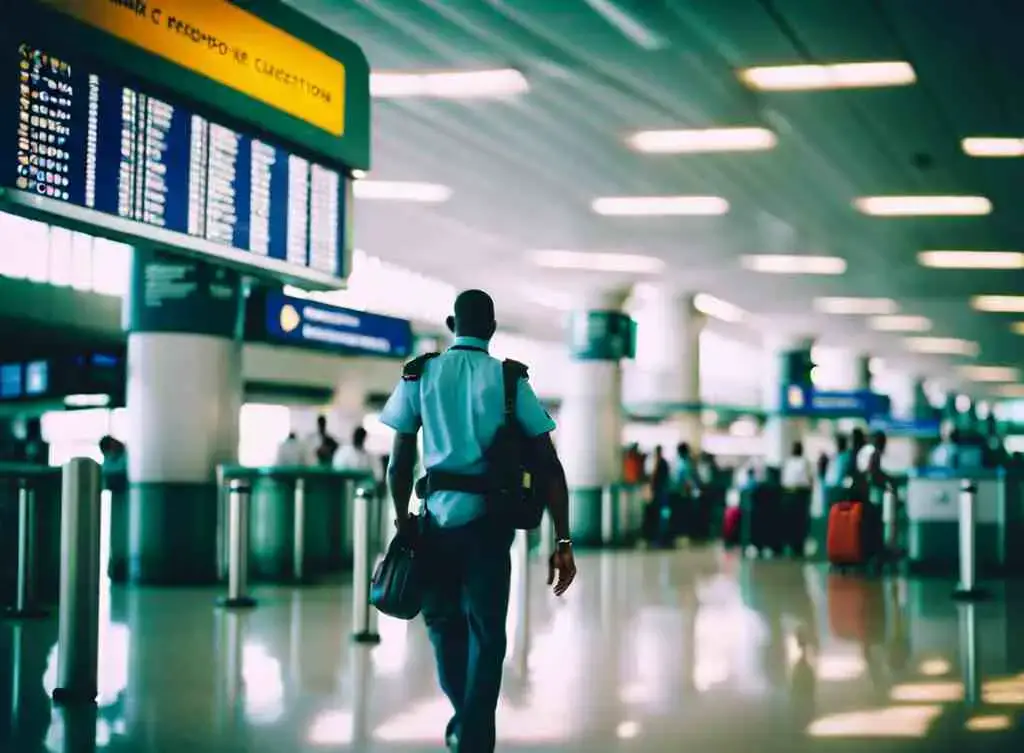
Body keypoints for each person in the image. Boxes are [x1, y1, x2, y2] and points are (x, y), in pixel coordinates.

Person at [379, 289, 576, 753]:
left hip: (434, 525)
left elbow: (399, 462)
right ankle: (473, 735)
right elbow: (550, 467)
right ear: (491, 327)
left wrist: (401, 516)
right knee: (488, 636)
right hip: (490, 528)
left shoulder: (419, 374)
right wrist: (563, 540)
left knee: (444, 624)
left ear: (452, 324)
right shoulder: (509, 381)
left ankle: (465, 725)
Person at [781, 440, 814, 556]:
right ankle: (797, 545)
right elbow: (810, 480)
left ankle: (793, 544)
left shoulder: (789, 463)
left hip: (792, 494)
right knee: (799, 521)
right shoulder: (803, 463)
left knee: (792, 521)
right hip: (799, 494)